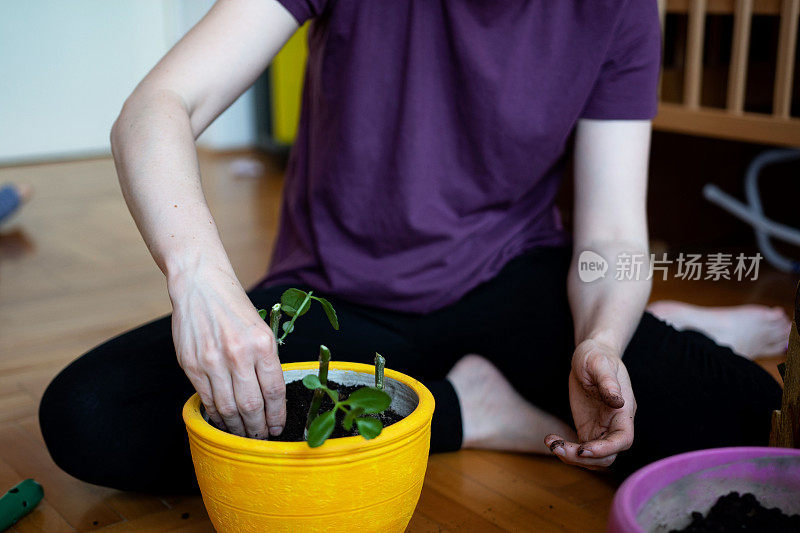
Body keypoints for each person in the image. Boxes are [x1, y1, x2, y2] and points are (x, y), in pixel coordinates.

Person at [39, 0, 784, 492]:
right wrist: (200, 278)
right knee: (93, 416)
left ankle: (657, 327)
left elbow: (613, 235)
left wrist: (603, 338)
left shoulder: (620, 10)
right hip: (337, 304)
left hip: (512, 278)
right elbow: (156, 107)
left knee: (748, 416)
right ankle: (470, 410)